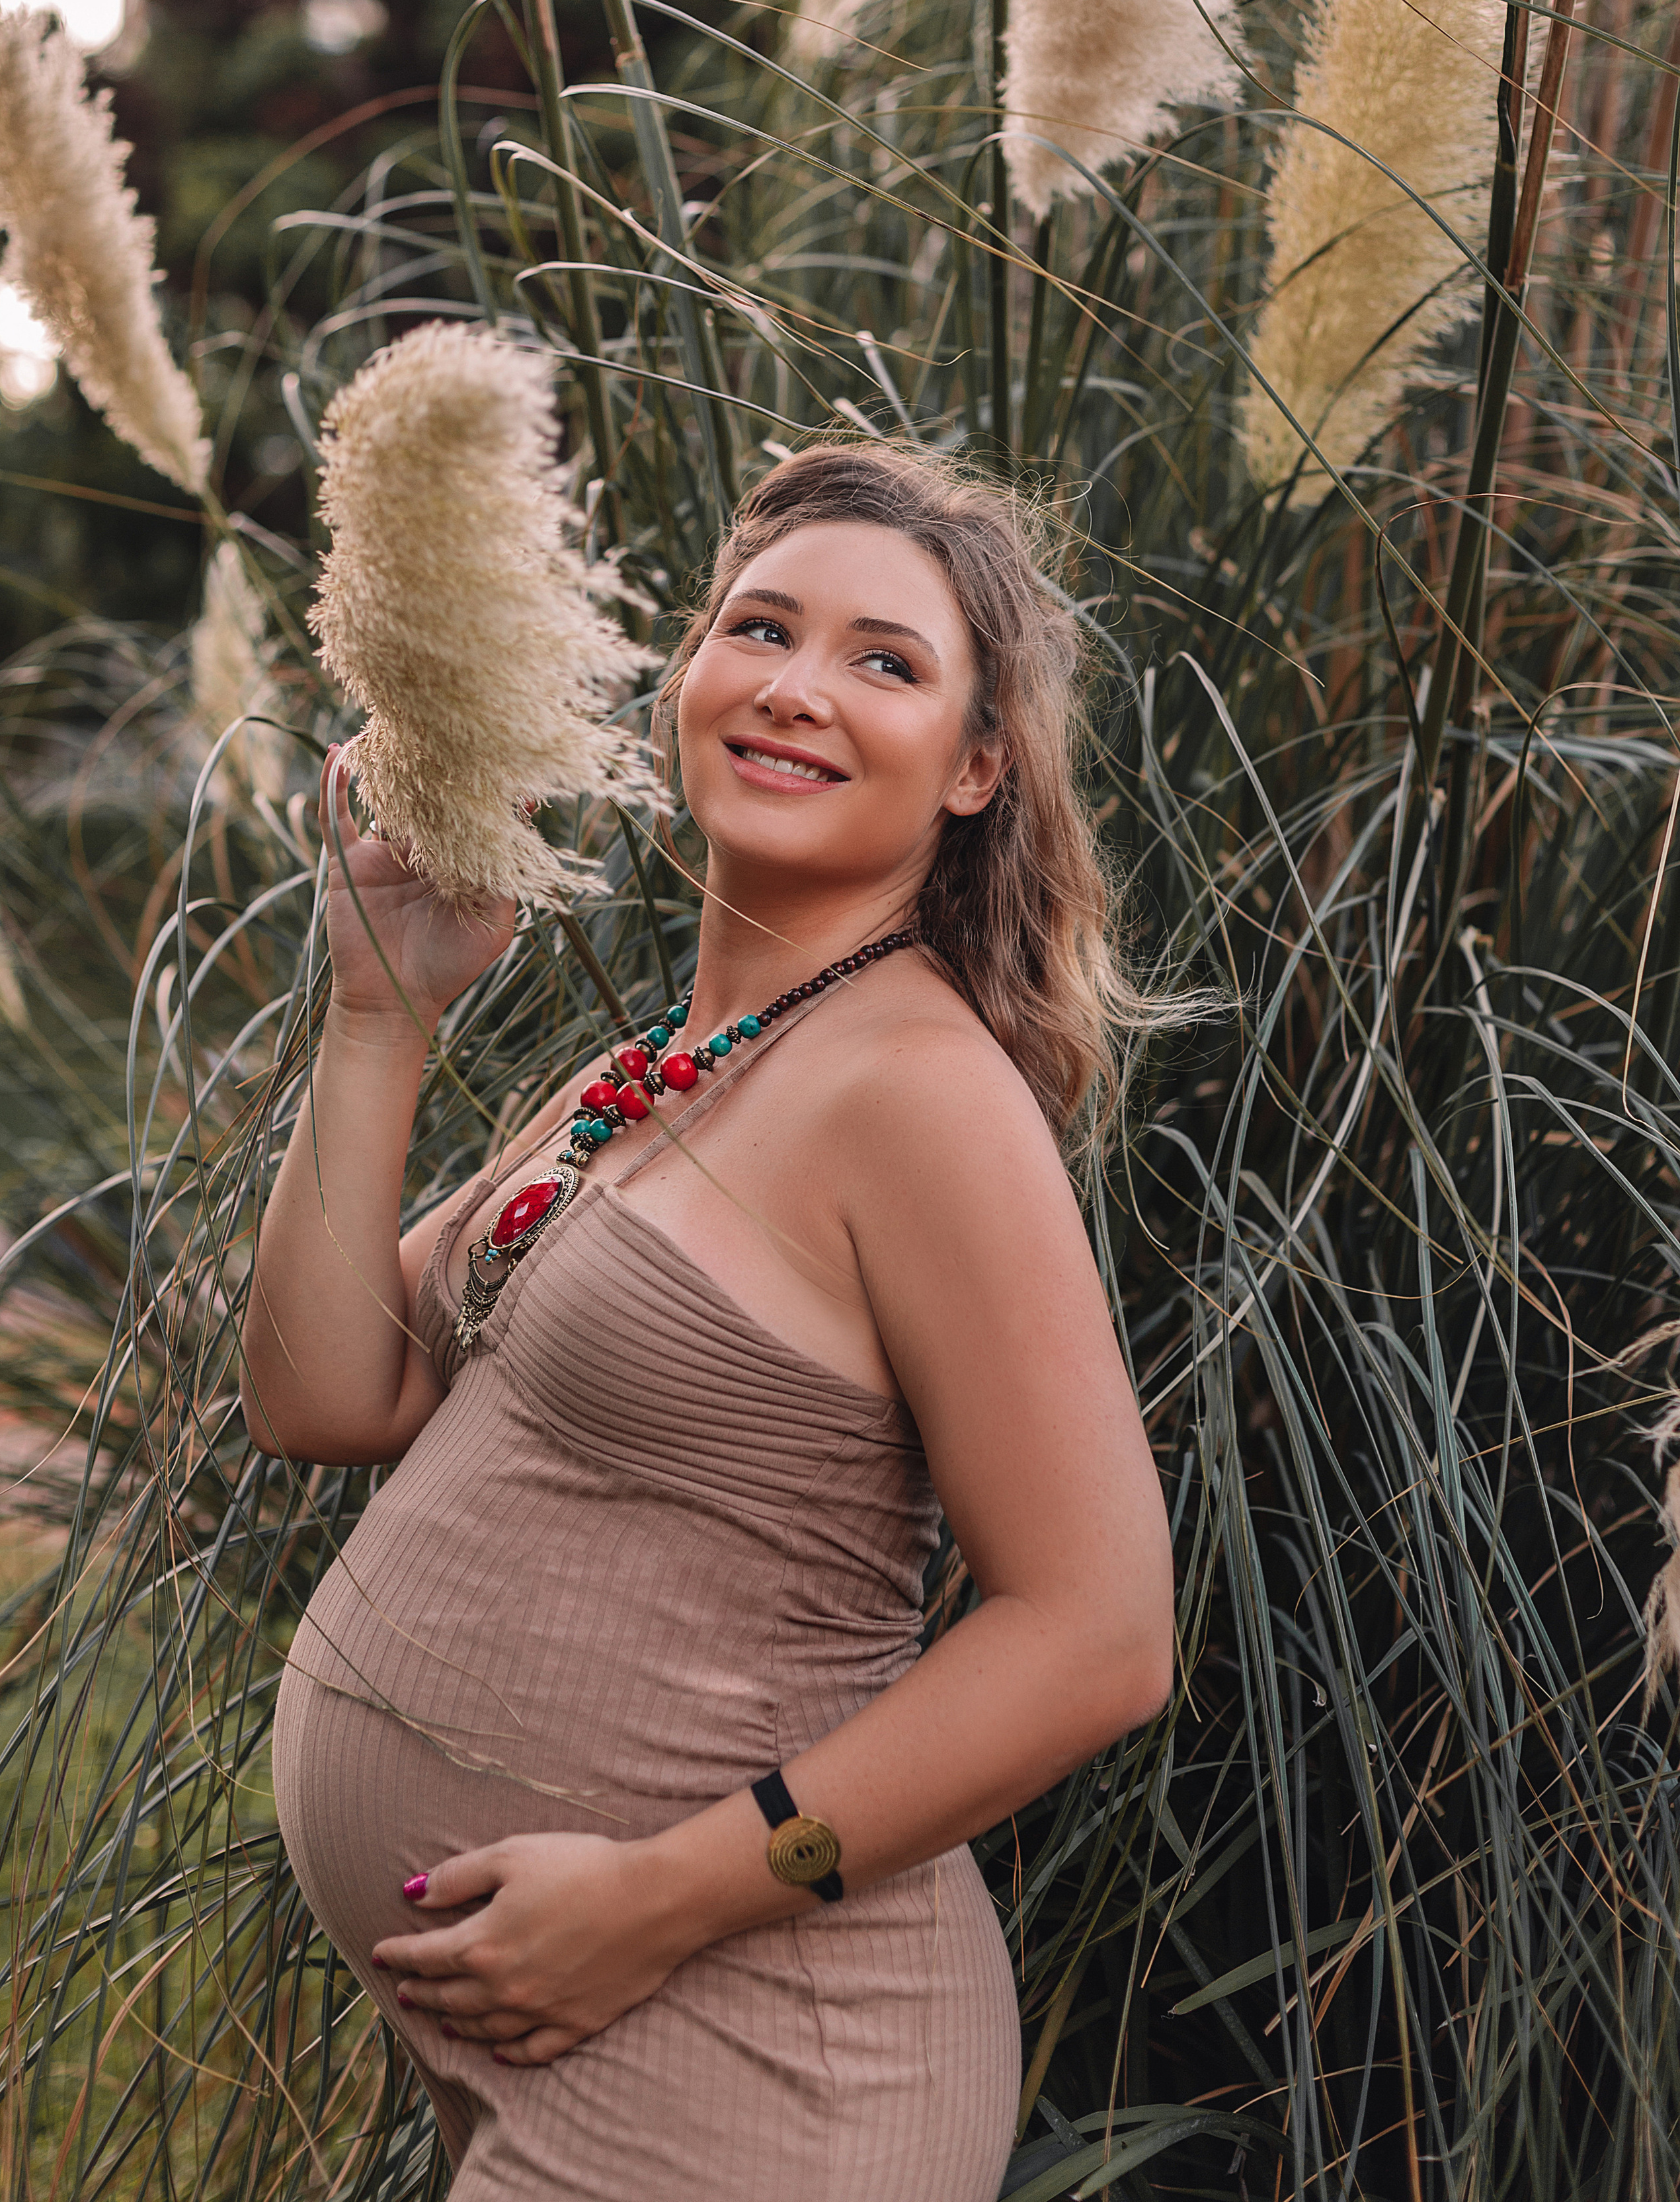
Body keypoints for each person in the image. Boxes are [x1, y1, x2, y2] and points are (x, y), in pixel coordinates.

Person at [251, 440, 1176, 2202]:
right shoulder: (650, 1080)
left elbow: (1101, 1634)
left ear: (980, 765)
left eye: (885, 661)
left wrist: (656, 1900)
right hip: (572, 2043)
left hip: (759, 2064)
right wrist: (380, 1018)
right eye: (759, 628)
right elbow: (324, 1390)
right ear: (689, 676)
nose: (796, 689)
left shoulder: (917, 1092)